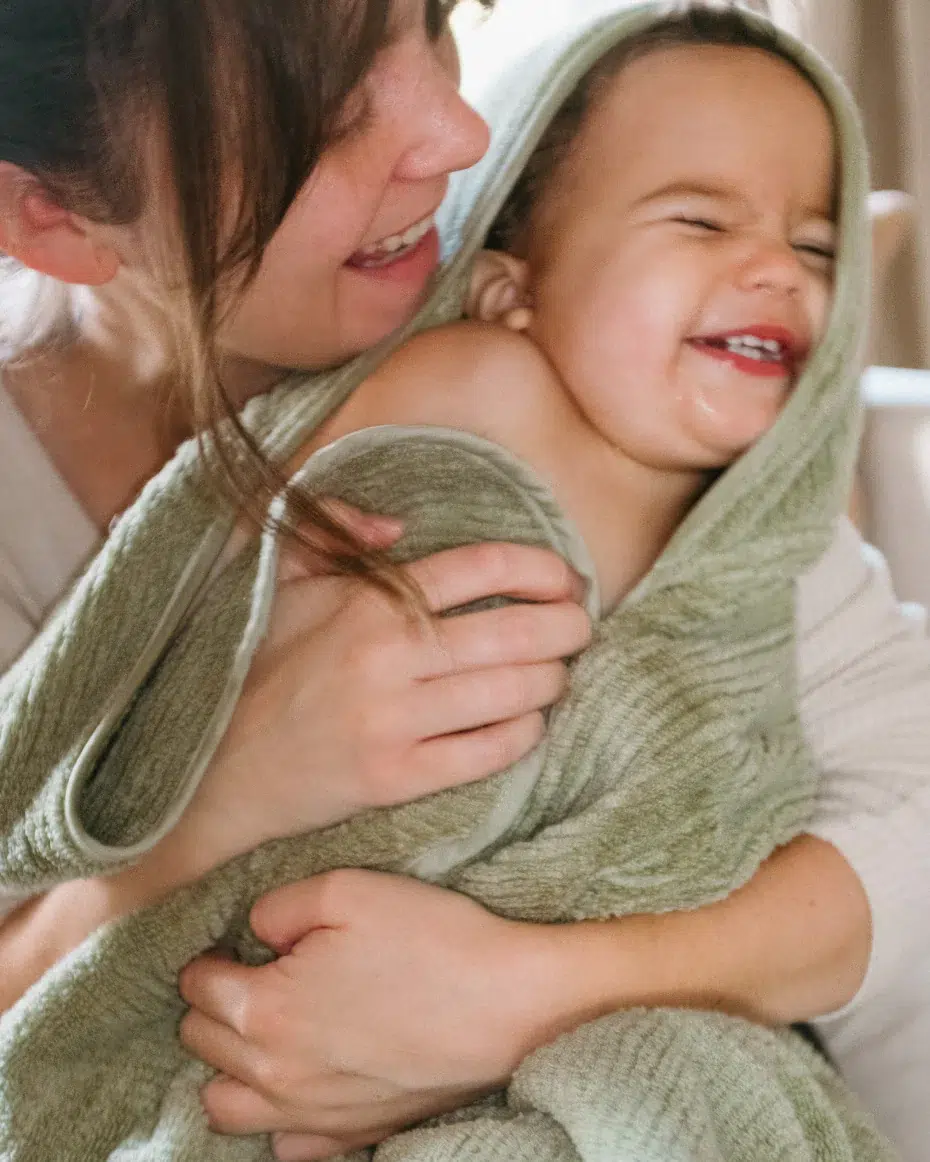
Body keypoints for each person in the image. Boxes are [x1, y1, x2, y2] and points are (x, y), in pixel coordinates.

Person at [0, 1, 925, 1160]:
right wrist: (221, 790)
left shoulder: (682, 469)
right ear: (49, 212)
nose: (458, 130)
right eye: (331, 109)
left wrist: (513, 1000)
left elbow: (906, 830)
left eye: (433, 20)